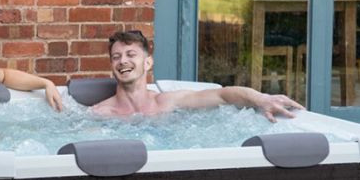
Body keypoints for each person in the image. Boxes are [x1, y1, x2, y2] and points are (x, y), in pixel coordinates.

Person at [91, 29, 303, 122]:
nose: (123, 61)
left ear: (148, 62)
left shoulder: (169, 101)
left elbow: (223, 95)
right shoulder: (100, 113)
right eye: (116, 57)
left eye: (131, 55)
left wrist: (262, 98)